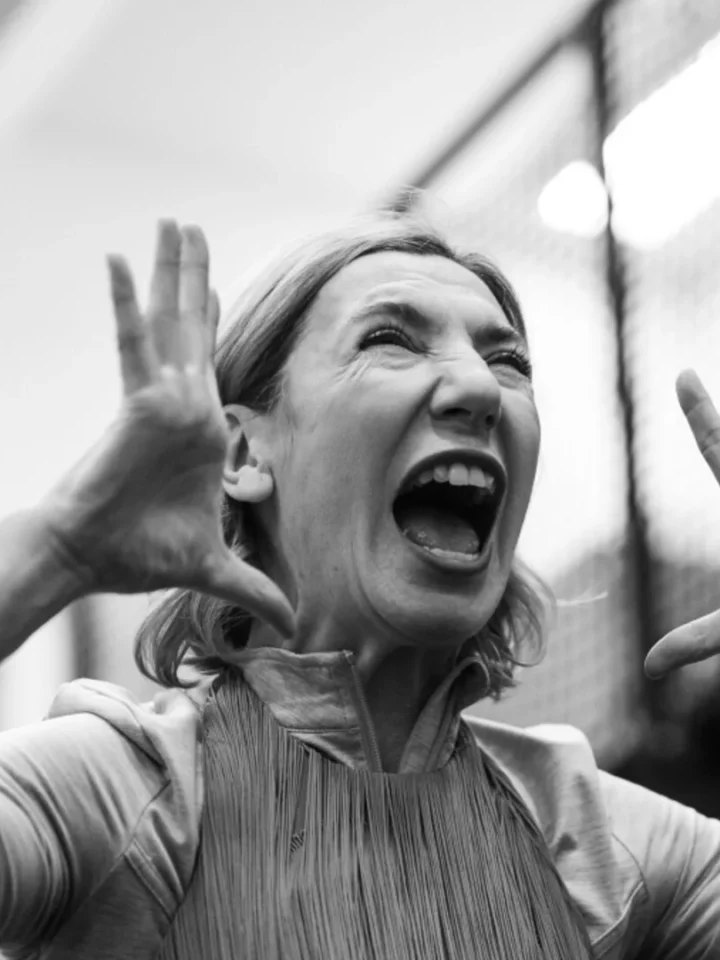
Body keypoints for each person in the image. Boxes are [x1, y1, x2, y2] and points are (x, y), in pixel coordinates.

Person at [0, 215, 719, 960]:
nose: (480, 386)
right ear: (243, 453)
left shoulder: (590, 832)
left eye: (507, 360)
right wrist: (51, 554)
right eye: (389, 340)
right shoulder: (126, 792)